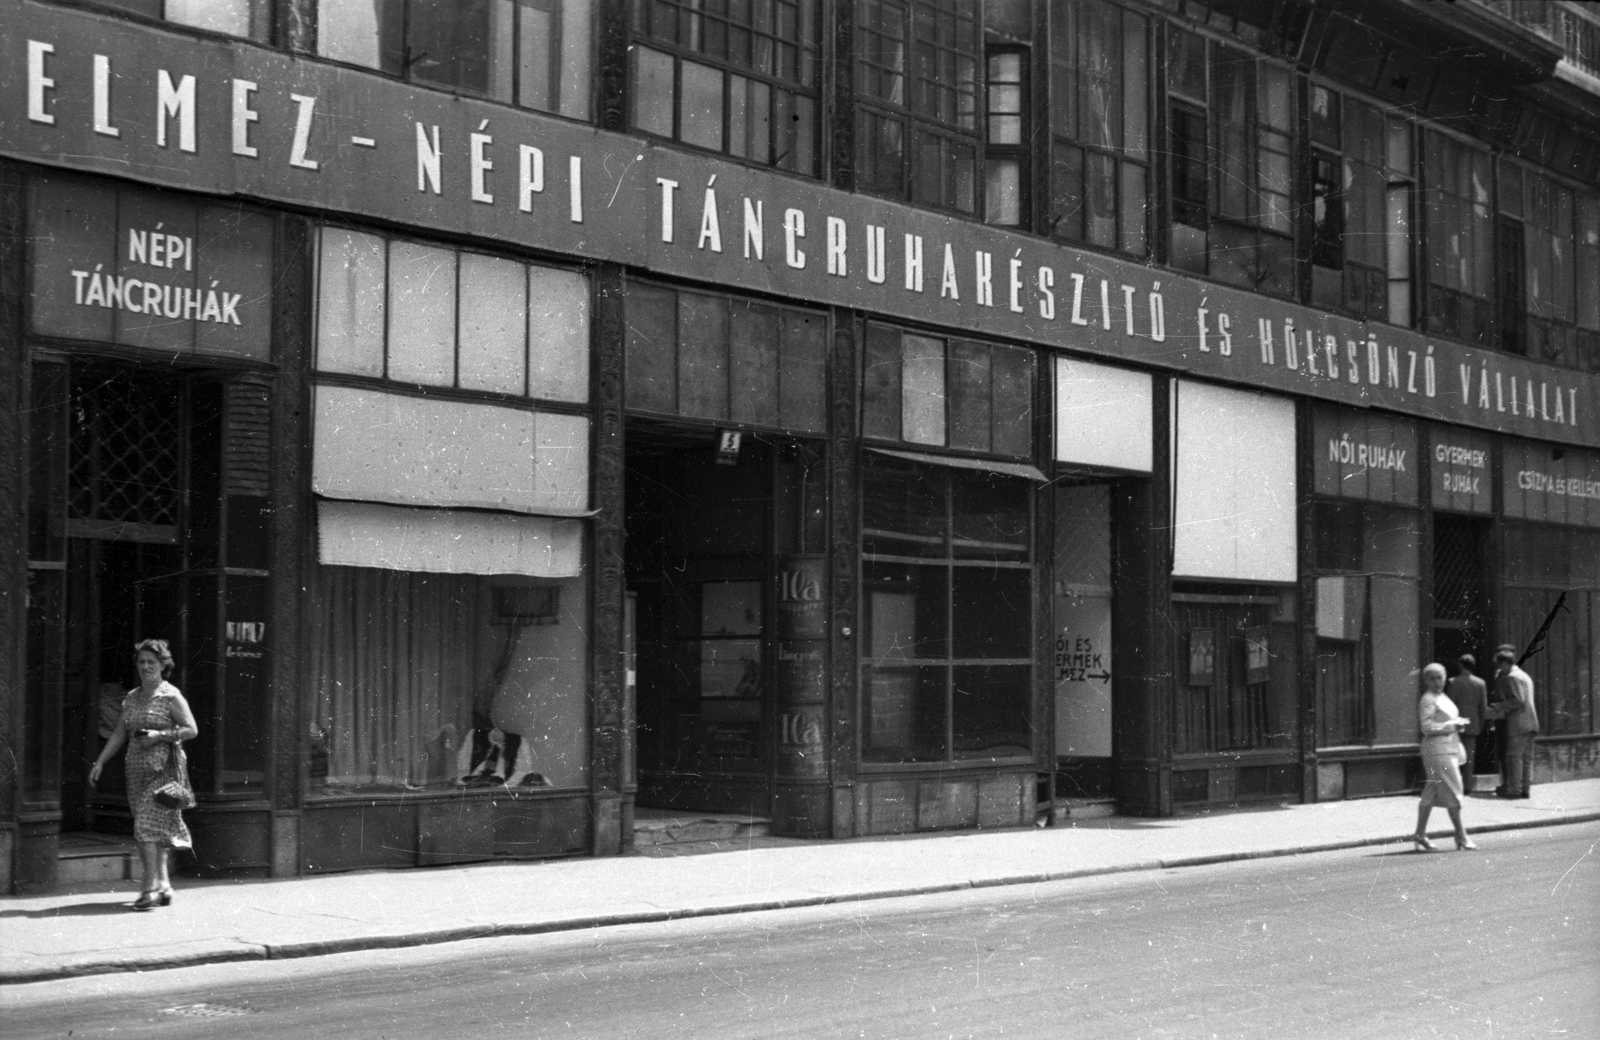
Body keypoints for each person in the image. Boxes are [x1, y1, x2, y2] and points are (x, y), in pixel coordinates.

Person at [89, 639, 199, 910]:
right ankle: (164, 885)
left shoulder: (170, 695)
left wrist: (159, 735)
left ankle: (148, 890)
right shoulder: (132, 697)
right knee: (154, 829)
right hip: (136, 771)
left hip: (165, 771)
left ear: (163, 665)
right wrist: (100, 761)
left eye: (152, 662)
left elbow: (191, 730)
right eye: (142, 662)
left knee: (146, 828)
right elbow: (120, 732)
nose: (146, 666)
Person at [1413, 662, 1476, 852]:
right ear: (1426, 681)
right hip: (1438, 751)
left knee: (1431, 792)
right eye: (1432, 678)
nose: (1437, 682)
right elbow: (1426, 727)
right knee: (1455, 790)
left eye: (1440, 678)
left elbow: (1445, 720)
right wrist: (1450, 726)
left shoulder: (1442, 696)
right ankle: (1461, 835)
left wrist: (1457, 724)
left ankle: (1420, 834)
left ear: (1445, 677)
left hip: (1448, 748)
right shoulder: (1428, 699)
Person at [1490, 646, 1539, 799]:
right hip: (1531, 722)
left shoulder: (1512, 677)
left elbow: (1518, 699)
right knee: (1526, 759)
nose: (1500, 668)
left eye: (1500, 665)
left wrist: (1500, 706)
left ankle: (1515, 790)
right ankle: (1524, 789)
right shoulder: (1523, 675)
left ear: (1505, 663)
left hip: (1519, 723)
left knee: (1513, 756)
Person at [1446, 654, 1488, 788]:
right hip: (1472, 724)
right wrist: (1481, 724)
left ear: (1460, 665)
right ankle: (1467, 786)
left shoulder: (1453, 682)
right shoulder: (1480, 683)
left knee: (1454, 755)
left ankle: (1455, 785)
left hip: (1456, 723)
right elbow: (1483, 707)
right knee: (1469, 757)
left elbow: (1450, 705)